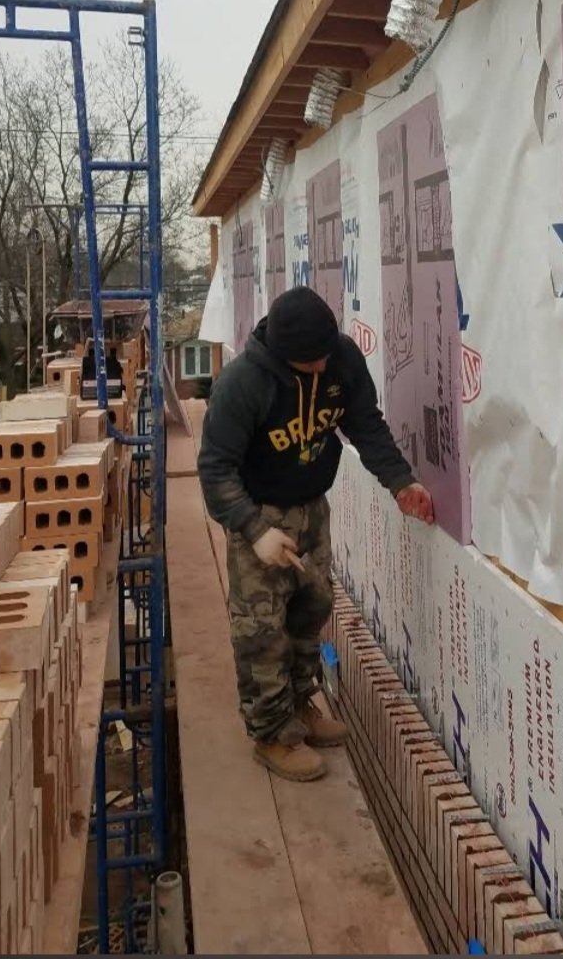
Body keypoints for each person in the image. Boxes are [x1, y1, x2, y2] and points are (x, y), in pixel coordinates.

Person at [197, 285, 435, 782]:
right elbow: (216, 470)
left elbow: (366, 425)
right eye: (311, 363)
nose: (322, 369)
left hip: (311, 509)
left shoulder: (339, 359)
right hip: (258, 512)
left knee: (311, 609)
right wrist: (254, 529)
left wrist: (400, 480)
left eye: (326, 356)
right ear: (285, 356)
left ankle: (300, 704)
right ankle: (270, 733)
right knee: (261, 628)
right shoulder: (243, 384)